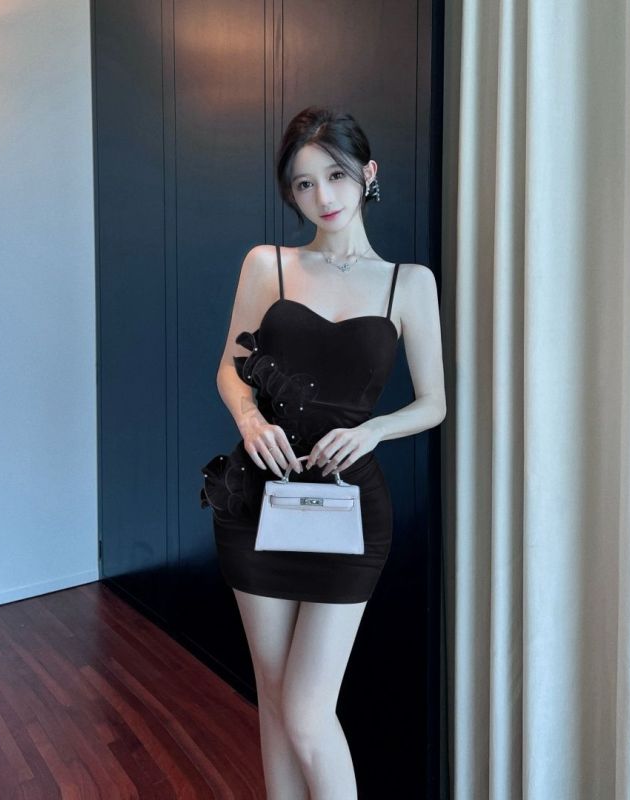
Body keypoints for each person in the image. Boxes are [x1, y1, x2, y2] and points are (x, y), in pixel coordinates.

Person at [200, 106, 446, 800]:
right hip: (257, 497)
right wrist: (250, 417)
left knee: (308, 711)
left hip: (350, 510)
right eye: (304, 184)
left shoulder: (408, 283)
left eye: (335, 176)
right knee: (275, 697)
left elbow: (434, 403)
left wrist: (372, 431)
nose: (323, 197)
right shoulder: (267, 265)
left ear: (368, 174)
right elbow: (229, 369)